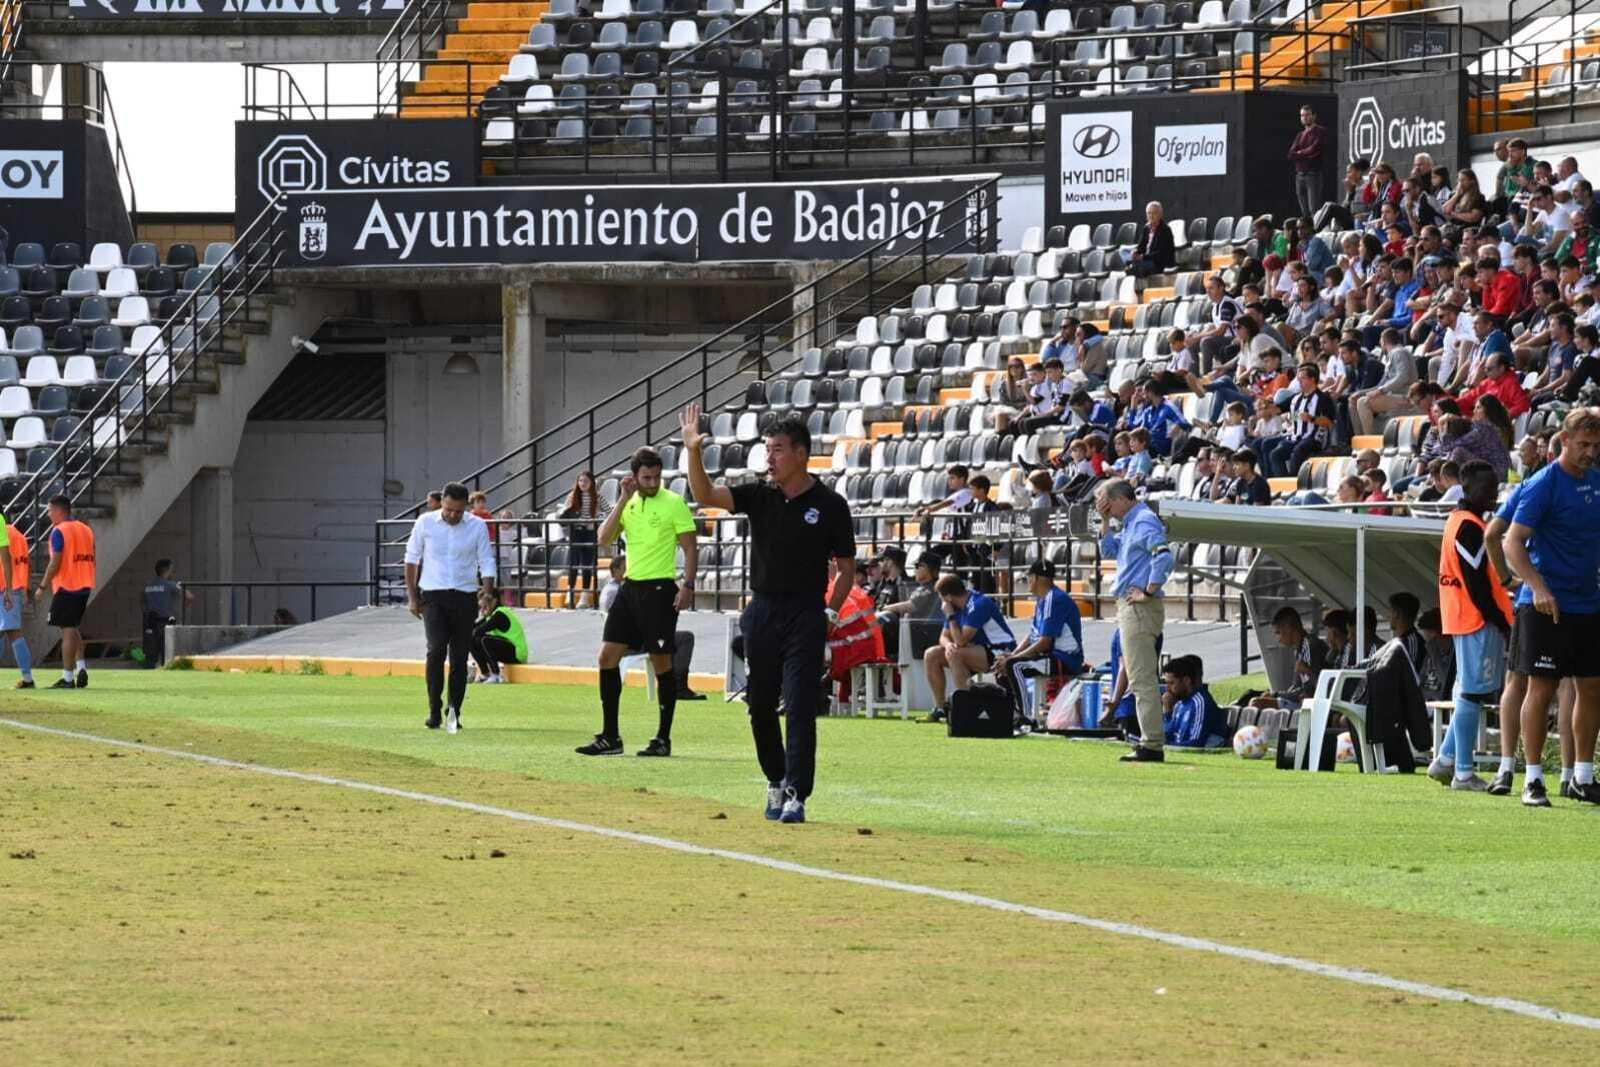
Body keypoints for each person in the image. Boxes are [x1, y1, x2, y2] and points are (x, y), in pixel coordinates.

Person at [682, 402, 854, 825]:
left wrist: (830, 613)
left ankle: (797, 792)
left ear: (800, 453)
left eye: (777, 449)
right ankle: (775, 779)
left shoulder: (830, 504)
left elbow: (846, 568)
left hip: (806, 612)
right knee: (759, 704)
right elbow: (705, 496)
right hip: (762, 609)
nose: (769, 458)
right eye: (767, 449)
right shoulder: (759, 495)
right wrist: (692, 452)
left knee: (798, 703)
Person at [1502, 407, 1600, 806]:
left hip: (1587, 602)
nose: (1590, 453)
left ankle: (1581, 776)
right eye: (1583, 445)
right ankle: (1533, 779)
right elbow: (1510, 541)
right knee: (1540, 688)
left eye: (1596, 446)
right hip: (1544, 605)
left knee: (1592, 687)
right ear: (1564, 439)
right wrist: (1538, 587)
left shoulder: (1596, 483)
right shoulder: (1544, 483)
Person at [581, 447, 697, 758]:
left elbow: (690, 548)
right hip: (629, 590)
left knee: (662, 662)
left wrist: (687, 585)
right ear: (634, 477)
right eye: (647, 477)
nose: (653, 482)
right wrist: (622, 500)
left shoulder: (674, 504)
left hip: (660, 591)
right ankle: (610, 737)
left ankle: (662, 738)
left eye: (657, 476)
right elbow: (604, 538)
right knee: (607, 657)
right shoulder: (629, 504)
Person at [1430, 459, 1516, 792]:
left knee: (1468, 690)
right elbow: (1476, 583)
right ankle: (1463, 773)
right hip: (1475, 618)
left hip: (1462, 616)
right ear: (1467, 489)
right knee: (1472, 693)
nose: (1493, 495)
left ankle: (1447, 759)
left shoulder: (1459, 521)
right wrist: (1500, 620)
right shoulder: (1469, 527)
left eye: (1495, 488)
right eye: (1486, 489)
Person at [404, 482, 497, 733]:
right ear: (441, 503)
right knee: (435, 650)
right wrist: (412, 597)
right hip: (433, 596)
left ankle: (454, 711)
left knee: (459, 656)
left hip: (465, 597)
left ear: (465, 507)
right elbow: (412, 558)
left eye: (458, 511)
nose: (453, 515)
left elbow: (486, 561)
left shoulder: (477, 526)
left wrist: (487, 593)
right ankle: (434, 709)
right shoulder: (425, 523)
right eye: (448, 510)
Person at [1095, 478, 1172, 762]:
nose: (1103, 507)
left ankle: (1151, 744)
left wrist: (1148, 591)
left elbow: (1163, 557)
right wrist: (1104, 522)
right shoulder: (1131, 523)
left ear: (1120, 499)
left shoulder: (1143, 522)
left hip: (1139, 607)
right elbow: (1109, 552)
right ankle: (1150, 741)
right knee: (1139, 677)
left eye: (1105, 501)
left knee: (1141, 678)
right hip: (1131, 606)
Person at [993, 559, 1083, 727]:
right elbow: (1033, 635)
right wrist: (1012, 655)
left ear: (1036, 578)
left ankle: (1026, 717)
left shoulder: (1054, 599)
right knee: (1003, 666)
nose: (1028, 580)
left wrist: (1013, 660)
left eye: (1029, 576)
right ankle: (1011, 714)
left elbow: (1045, 642)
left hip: (1065, 659)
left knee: (1014, 666)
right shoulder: (1044, 599)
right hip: (1050, 656)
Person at [924, 573, 1016, 723]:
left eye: (941, 598)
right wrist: (948, 645)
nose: (941, 603)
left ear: (947, 597)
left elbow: (960, 641)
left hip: (1000, 651)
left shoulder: (979, 604)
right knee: (931, 654)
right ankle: (940, 709)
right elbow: (943, 637)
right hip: (975, 650)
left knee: (956, 654)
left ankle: (967, 709)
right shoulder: (956, 607)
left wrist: (951, 616)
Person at [38, 495, 94, 690]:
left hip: (67, 585)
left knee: (67, 630)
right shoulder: (86, 530)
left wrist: (42, 586)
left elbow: (56, 562)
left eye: (49, 510)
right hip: (85, 584)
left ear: (59, 510)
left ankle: (67, 678)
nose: (48, 514)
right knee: (72, 627)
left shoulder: (59, 531)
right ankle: (81, 667)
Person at [1250, 607, 1331, 709]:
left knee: (1257, 703)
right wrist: (1275, 695)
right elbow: (1298, 689)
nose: (1278, 640)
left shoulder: (1311, 646)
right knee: (1253, 698)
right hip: (1303, 701)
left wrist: (1307, 670)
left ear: (1288, 628)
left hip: (1315, 705)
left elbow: (1321, 687)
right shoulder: (1298, 651)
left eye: (1278, 633)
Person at [1161, 655, 1229, 748]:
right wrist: (1167, 712)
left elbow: (1196, 744)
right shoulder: (1179, 704)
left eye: (1171, 683)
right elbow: (1168, 735)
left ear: (1186, 681)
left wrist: (1164, 745)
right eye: (1166, 683)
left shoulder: (1200, 703)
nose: (1167, 688)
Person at [561, 470, 606, 609]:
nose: (583, 484)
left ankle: (584, 596)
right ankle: (571, 592)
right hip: (576, 532)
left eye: (586, 481)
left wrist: (598, 518)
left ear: (592, 482)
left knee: (587, 565)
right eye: (580, 481)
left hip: (590, 532)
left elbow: (608, 511)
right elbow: (564, 512)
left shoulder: (597, 497)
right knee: (573, 564)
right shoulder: (572, 496)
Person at [141, 559, 193, 669]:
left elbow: (143, 605)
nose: (173, 573)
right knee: (167, 656)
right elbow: (190, 596)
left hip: (149, 624)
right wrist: (184, 608)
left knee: (150, 657)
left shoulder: (147, 586)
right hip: (164, 624)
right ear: (167, 571)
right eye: (172, 570)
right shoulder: (170, 585)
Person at [470, 586, 526, 684]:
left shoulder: (500, 614)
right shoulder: (492, 615)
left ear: (494, 601)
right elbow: (473, 630)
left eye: (485, 606)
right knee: (471, 639)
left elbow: (478, 631)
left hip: (516, 653)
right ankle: (485, 673)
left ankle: (496, 674)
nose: (483, 609)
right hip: (507, 650)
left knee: (484, 640)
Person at [1288, 104, 1327, 217]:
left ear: (1314, 116)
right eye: (1302, 115)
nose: (1304, 117)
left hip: (1312, 175)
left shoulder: (1320, 131)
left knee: (1313, 209)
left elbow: (1315, 149)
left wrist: (1299, 153)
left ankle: (1316, 231)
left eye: (1307, 115)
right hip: (1299, 176)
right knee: (1304, 211)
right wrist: (1304, 153)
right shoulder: (1300, 135)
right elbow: (1290, 154)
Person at [0, 518, 26, 687]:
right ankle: (28, 677)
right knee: (12, 633)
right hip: (13, 587)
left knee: (10, 633)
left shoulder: (6, 531)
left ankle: (28, 678)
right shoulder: (20, 537)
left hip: (5, 587)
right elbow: (23, 562)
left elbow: (7, 558)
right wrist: (23, 587)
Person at [1128, 201, 1175, 278]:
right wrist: (1135, 252)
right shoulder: (1146, 228)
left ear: (1160, 215)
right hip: (1147, 260)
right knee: (1126, 257)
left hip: (1159, 263)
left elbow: (1161, 254)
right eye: (1148, 213)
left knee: (1135, 268)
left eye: (1154, 213)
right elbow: (1141, 246)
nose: (1151, 216)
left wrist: (1142, 257)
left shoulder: (1165, 230)